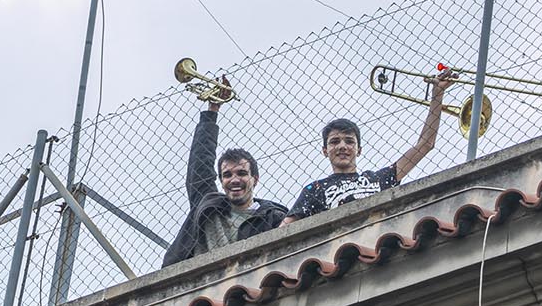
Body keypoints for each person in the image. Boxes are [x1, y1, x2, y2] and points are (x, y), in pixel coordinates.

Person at [283, 69, 457, 223]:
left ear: (359, 150)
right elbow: (286, 227)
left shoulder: (379, 178)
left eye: (349, 141)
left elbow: (425, 145)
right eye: (335, 141)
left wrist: (437, 95)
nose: (342, 146)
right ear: (324, 151)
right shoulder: (315, 190)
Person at [164, 77, 289, 267]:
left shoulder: (272, 217)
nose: (234, 179)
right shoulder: (209, 205)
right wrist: (212, 111)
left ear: (255, 179)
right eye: (227, 175)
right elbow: (200, 163)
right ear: (221, 181)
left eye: (241, 173)